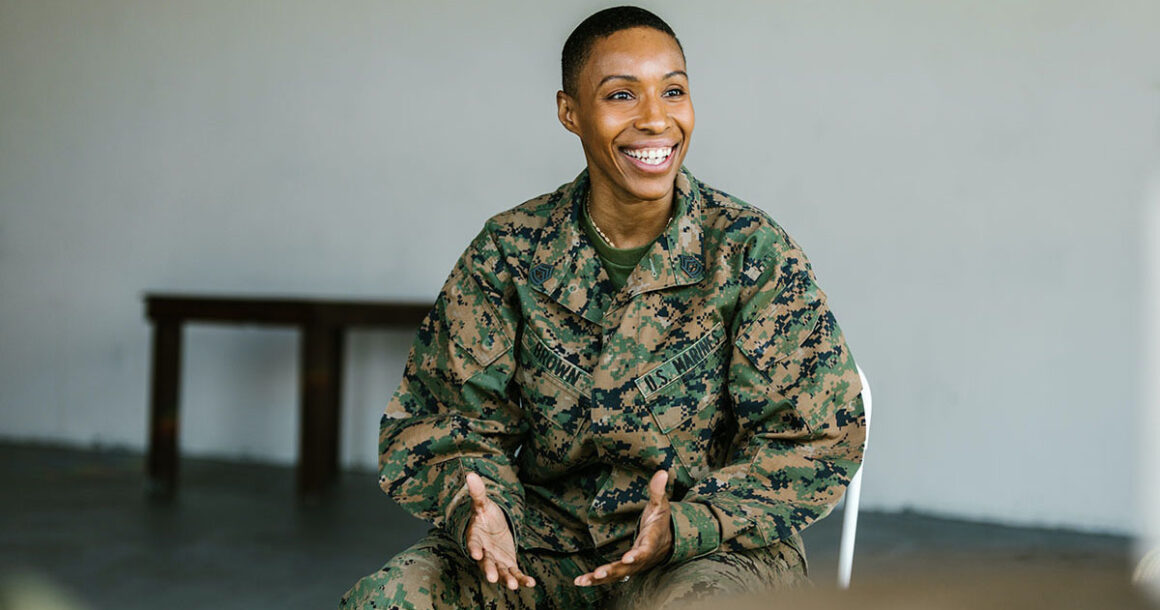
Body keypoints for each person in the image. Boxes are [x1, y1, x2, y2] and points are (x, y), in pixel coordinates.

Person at [341, 6, 865, 609]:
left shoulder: (747, 251)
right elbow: (439, 420)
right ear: (571, 113)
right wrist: (478, 511)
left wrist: (688, 524)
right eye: (621, 94)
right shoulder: (511, 251)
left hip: (712, 552)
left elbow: (818, 436)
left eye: (673, 91)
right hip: (544, 544)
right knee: (392, 600)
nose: (655, 119)